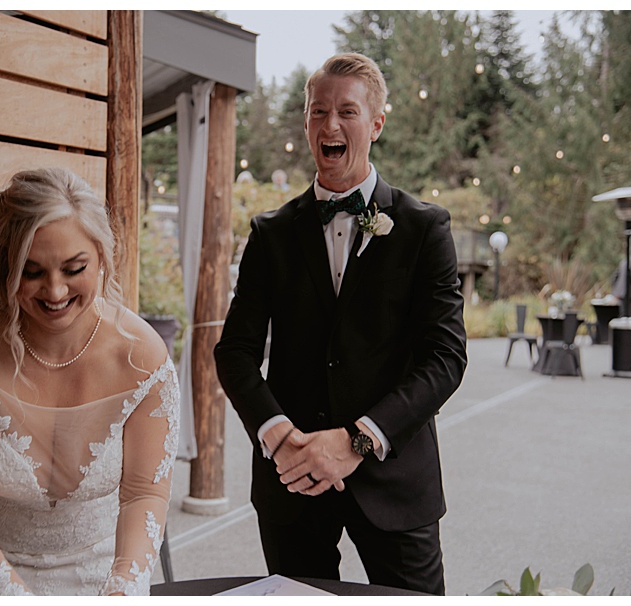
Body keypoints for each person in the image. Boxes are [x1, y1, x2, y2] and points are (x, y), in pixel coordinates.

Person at [214, 53, 467, 595]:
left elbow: (445, 359)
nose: (330, 125)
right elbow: (235, 351)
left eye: (346, 112)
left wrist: (357, 441)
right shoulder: (271, 234)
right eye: (317, 112)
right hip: (294, 477)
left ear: (375, 124)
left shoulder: (425, 228)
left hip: (394, 482)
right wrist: (278, 436)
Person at [0, 167, 180, 596]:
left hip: (103, 579)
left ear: (101, 256)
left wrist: (124, 589)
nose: (55, 291)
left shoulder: (141, 357)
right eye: (32, 271)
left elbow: (143, 494)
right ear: (5, 265)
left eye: (74, 268)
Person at [612, 239, 631, 317]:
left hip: (620, 294)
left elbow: (615, 277)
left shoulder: (624, 261)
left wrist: (615, 292)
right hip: (629, 296)